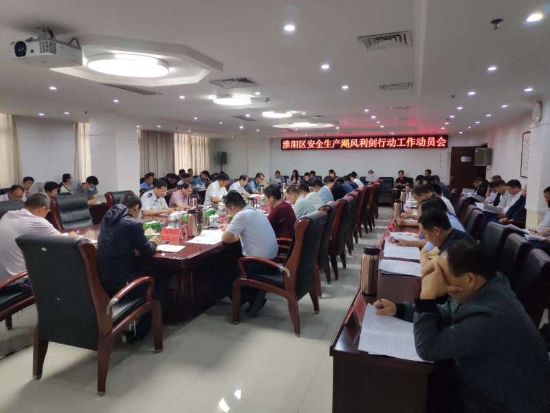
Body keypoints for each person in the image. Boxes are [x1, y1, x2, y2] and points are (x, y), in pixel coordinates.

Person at [374, 242, 550, 413]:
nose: (437, 280)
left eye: (442, 275)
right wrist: (400, 309)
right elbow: (445, 312)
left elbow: (428, 348)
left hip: (499, 402)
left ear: (469, 279)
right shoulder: (485, 286)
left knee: (406, 391)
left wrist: (427, 297)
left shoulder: (490, 317)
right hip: (481, 383)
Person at [220, 191, 279, 317]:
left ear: (233, 207)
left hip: (260, 264)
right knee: (232, 260)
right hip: (273, 261)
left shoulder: (241, 215)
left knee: (222, 272)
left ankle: (251, 298)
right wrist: (232, 229)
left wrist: (233, 234)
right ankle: (255, 296)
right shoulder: (255, 211)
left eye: (228, 210)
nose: (229, 214)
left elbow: (225, 238)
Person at [98, 193, 160, 296]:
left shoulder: (106, 218)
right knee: (160, 279)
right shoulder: (132, 224)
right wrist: (153, 242)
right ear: (136, 207)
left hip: (105, 281)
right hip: (123, 285)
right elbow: (148, 250)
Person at [0, 194, 69, 283]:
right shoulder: (36, 221)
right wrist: (73, 235)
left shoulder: (8, 214)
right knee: (63, 265)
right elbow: (66, 241)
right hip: (16, 281)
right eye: (47, 212)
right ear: (43, 209)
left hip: (3, 279)